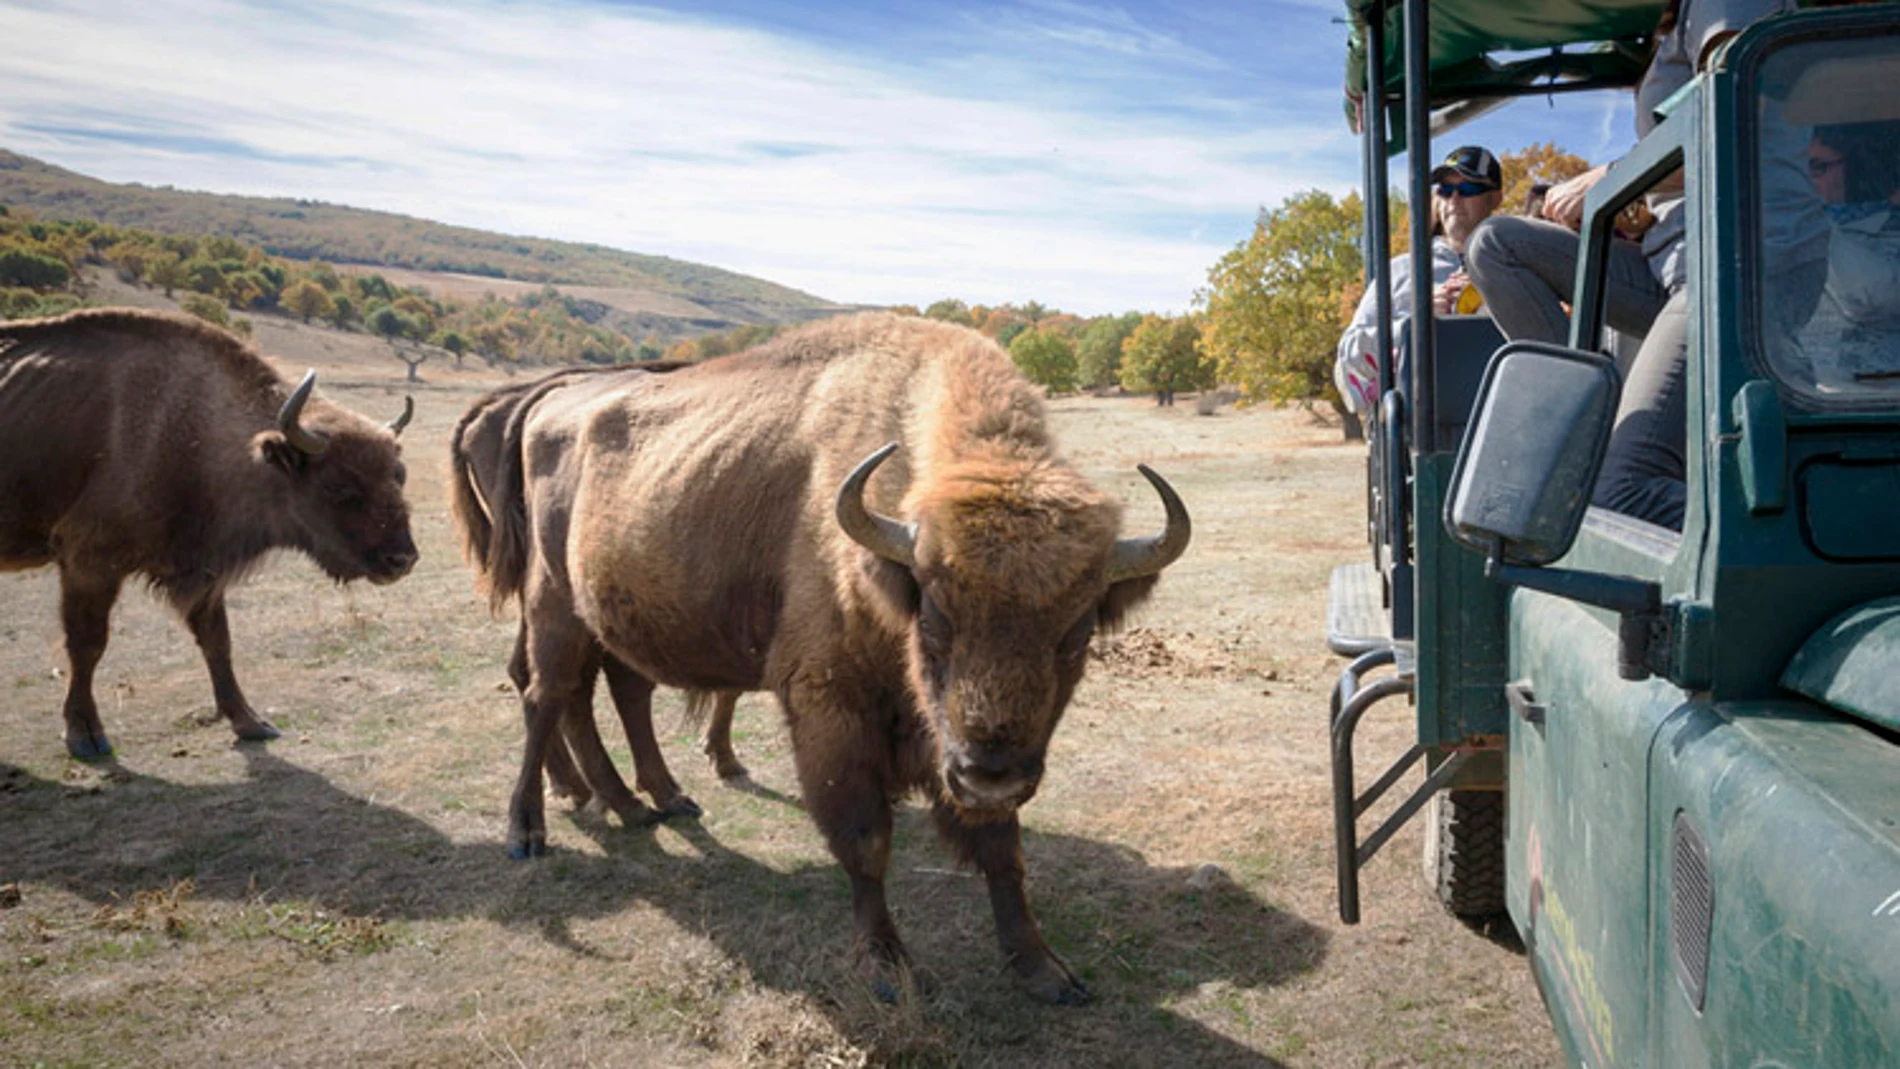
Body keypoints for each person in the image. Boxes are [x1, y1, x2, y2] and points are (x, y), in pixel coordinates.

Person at [1463, 0, 1825, 531]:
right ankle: (1582, 422)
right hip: (1673, 263)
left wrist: (1608, 181)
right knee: (1497, 244)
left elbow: (1742, 110)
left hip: (1739, 271)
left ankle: (1816, 530)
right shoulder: (1672, 29)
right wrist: (1631, 212)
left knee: (1621, 494)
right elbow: (1683, 170)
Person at [1333, 144, 1505, 416]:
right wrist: (1414, 323)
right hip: (1425, 433)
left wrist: (1497, 301)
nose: (1454, 199)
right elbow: (1349, 360)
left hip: (1505, 418)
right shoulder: (1400, 272)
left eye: (1469, 189)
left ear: (1495, 198)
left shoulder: (1517, 268)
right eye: (1446, 190)